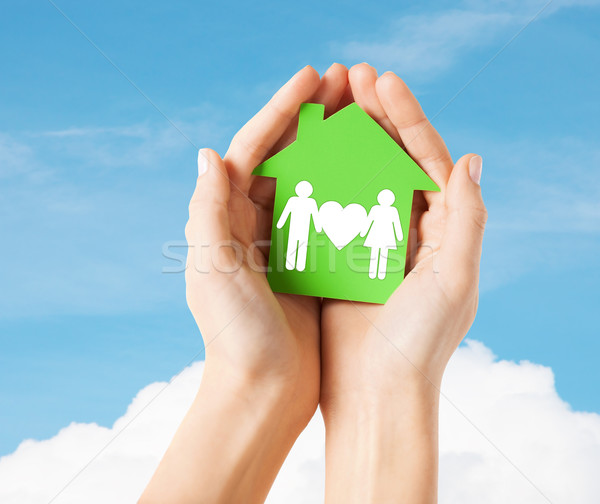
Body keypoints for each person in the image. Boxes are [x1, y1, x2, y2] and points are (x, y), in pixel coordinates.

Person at [138, 62, 486, 504]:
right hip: (307, 241)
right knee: (304, 251)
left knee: (364, 255)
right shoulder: (302, 205)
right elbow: (288, 218)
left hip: (372, 245)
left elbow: (362, 223)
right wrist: (253, 375)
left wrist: (382, 387)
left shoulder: (377, 210)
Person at [277, 180, 321, 272]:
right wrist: (280, 223)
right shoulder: (293, 200)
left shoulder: (311, 202)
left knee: (302, 246)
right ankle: (290, 264)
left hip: (304, 229)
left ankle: (300, 265)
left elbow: (315, 215)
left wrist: (318, 227)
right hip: (294, 228)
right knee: (292, 245)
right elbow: (286, 212)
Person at [360, 188, 403, 280]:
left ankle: (381, 274)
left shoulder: (393, 210)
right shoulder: (375, 209)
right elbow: (369, 221)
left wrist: (399, 236)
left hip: (387, 235)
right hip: (376, 234)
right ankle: (372, 273)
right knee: (374, 254)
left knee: (383, 254)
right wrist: (363, 232)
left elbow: (396, 223)